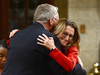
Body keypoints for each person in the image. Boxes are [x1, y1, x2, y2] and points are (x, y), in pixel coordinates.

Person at [2, 3, 85, 75]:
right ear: (51, 21)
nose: (67, 38)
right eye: (57, 20)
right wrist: (79, 68)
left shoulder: (17, 34)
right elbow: (60, 72)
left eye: (70, 36)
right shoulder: (49, 39)